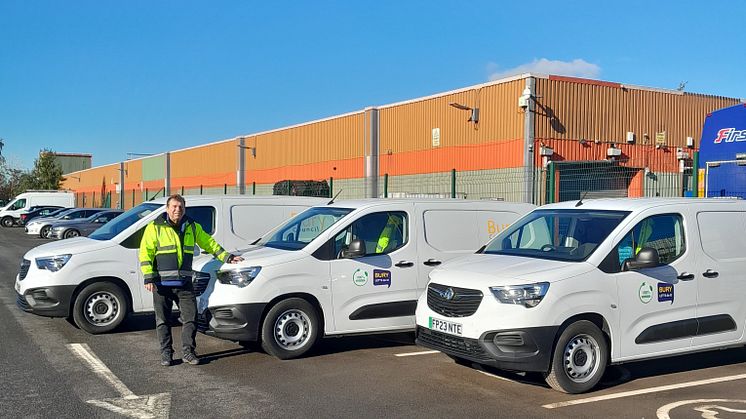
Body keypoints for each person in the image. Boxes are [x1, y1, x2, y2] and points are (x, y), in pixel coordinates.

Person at [139, 194, 243, 366]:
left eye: (180, 207)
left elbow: (209, 243)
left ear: (184, 209)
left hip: (184, 282)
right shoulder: (154, 228)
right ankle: (166, 353)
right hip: (161, 283)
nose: (177, 210)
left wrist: (227, 257)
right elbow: (145, 253)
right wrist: (148, 277)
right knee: (163, 320)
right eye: (173, 206)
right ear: (167, 209)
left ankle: (188, 352)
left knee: (191, 318)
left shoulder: (192, 226)